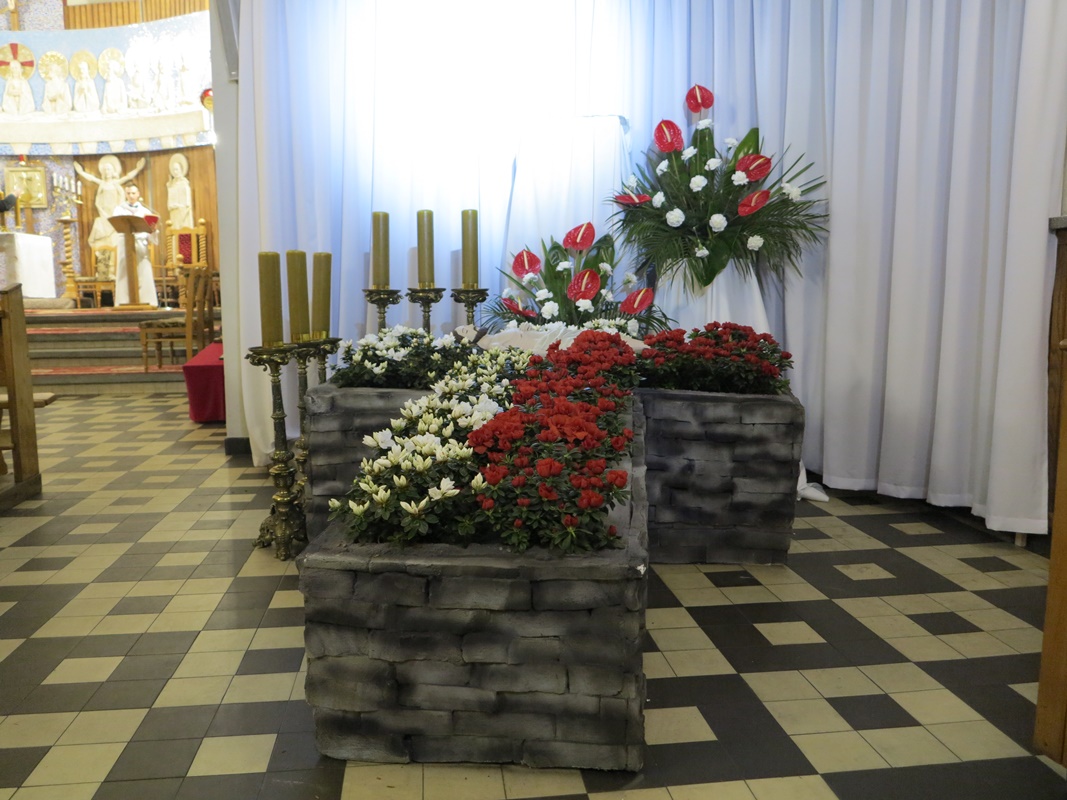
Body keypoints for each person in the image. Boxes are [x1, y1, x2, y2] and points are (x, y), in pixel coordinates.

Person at [74, 155, 145, 250]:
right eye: (105, 170)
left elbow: (128, 177)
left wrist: (137, 169)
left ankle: (115, 252)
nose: (107, 172)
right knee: (100, 226)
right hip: (104, 212)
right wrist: (81, 172)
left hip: (114, 211)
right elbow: (91, 178)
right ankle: (104, 252)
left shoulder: (116, 183)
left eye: (109, 169)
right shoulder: (102, 184)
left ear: (113, 171)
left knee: (115, 233)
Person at [112, 183, 159, 306]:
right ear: (125, 194)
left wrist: (153, 230)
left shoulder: (145, 211)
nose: (131, 196)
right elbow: (117, 226)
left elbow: (151, 233)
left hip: (140, 245)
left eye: (133, 193)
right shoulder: (119, 210)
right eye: (128, 193)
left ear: (138, 194)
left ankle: (147, 301)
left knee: (143, 272)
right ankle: (124, 301)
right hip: (125, 244)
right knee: (125, 274)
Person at [166, 153, 193, 229]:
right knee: (174, 231)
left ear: (181, 169)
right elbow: (170, 200)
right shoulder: (172, 184)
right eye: (174, 170)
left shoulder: (184, 183)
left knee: (184, 230)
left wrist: (182, 207)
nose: (175, 172)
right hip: (174, 213)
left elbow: (187, 202)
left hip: (183, 213)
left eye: (177, 169)